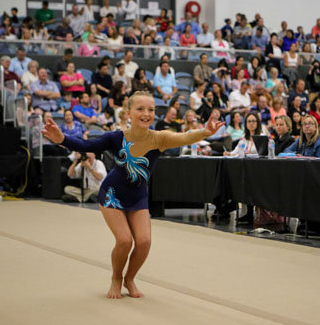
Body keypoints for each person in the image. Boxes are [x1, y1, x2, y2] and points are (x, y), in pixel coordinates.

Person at [42, 91, 224, 298]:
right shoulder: (115, 138)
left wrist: (205, 132)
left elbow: (184, 137)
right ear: (128, 113)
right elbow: (86, 145)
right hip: (112, 195)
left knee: (144, 241)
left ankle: (129, 279)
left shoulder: (159, 138)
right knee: (124, 241)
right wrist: (62, 138)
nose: (146, 113)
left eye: (151, 109)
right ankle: (116, 278)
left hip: (138, 196)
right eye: (140, 109)